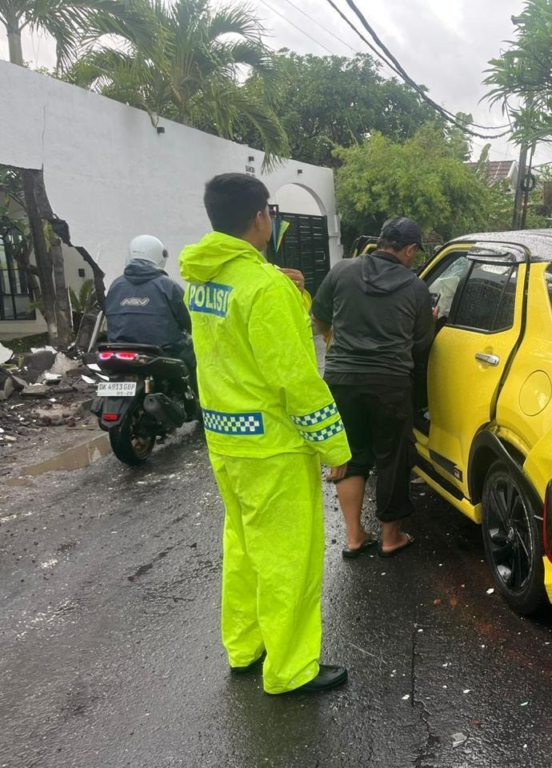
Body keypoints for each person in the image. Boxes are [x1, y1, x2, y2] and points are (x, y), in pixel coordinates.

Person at [179, 173, 352, 695]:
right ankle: (290, 669)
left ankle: (245, 647)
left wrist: (289, 290)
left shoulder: (205, 279)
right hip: (273, 448)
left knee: (245, 549)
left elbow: (240, 348)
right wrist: (335, 446)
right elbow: (295, 379)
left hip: (227, 441)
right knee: (288, 559)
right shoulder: (263, 287)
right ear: (260, 218)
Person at [311, 217, 434, 559]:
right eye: (415, 252)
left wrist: (332, 337)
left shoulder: (342, 271)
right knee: (392, 457)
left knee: (351, 455)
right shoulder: (415, 287)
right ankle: (391, 537)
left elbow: (318, 316)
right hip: (389, 382)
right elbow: (422, 343)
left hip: (341, 380)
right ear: (409, 249)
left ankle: (354, 536)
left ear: (380, 242)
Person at [105, 235, 195, 373]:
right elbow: (188, 320)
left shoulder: (116, 285)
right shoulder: (168, 286)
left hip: (119, 349)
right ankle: (195, 394)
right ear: (160, 256)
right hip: (163, 351)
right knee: (195, 358)